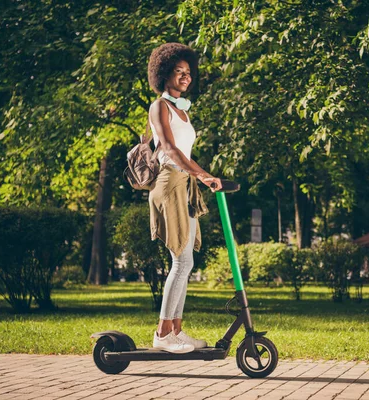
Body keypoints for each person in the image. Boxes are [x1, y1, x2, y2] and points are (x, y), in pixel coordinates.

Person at [147, 43, 222, 353]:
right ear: (164, 75)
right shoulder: (159, 107)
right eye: (178, 72)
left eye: (188, 72)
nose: (184, 77)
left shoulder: (182, 110)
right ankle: (163, 335)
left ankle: (177, 331)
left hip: (186, 184)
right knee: (180, 260)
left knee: (187, 262)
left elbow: (184, 150)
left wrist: (197, 176)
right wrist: (203, 174)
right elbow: (169, 149)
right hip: (169, 184)